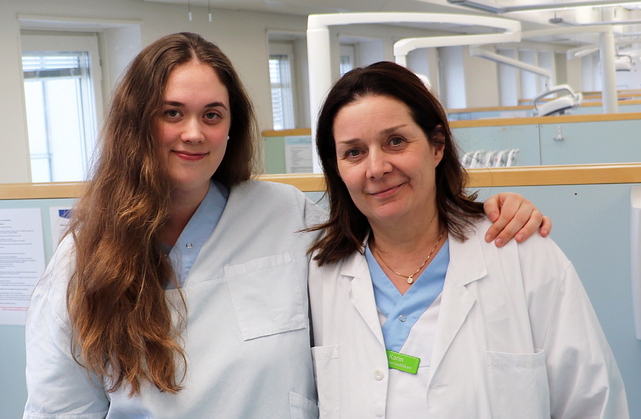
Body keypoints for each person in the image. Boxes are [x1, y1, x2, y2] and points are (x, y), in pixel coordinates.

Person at [23, 33, 549, 418]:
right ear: (136, 122)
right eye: (171, 113)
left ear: (232, 127)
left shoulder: (287, 214)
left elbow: (395, 226)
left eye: (213, 115)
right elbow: (59, 409)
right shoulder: (82, 260)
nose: (194, 133)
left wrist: (487, 212)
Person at [307, 61, 629, 419]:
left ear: (437, 146)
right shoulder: (320, 275)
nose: (376, 167)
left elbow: (592, 402)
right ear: (336, 168)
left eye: (395, 141)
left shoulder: (520, 253)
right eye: (354, 152)